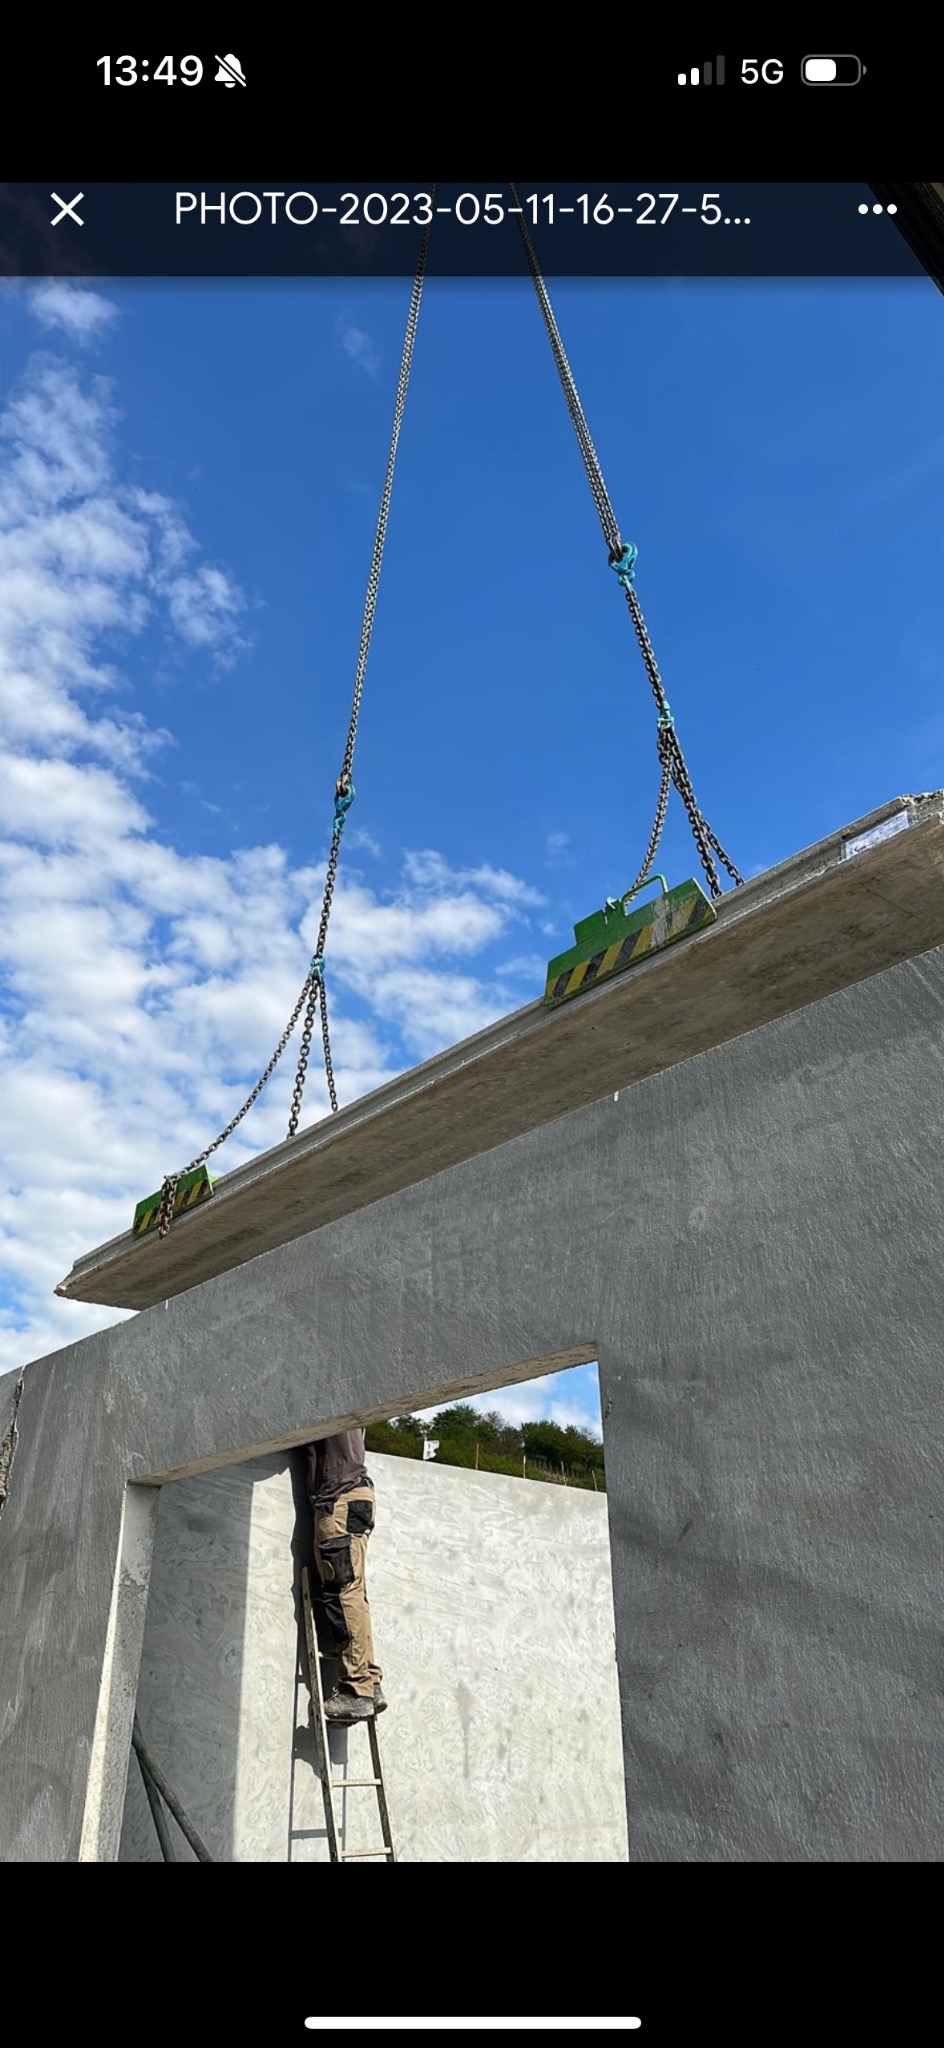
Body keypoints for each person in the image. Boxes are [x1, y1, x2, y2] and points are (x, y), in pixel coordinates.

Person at [304, 1428, 385, 1723]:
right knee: (354, 1591)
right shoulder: (354, 1406)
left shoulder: (324, 1394)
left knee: (342, 1592)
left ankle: (357, 1688)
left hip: (337, 1495)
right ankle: (369, 1681)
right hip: (357, 1493)